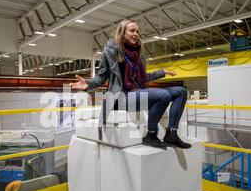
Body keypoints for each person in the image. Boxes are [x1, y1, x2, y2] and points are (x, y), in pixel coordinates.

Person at [70, 19, 191, 149]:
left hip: (139, 93)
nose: (136, 34)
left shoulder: (138, 54)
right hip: (123, 98)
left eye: (137, 31)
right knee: (163, 95)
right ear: (122, 33)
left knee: (181, 92)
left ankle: (171, 134)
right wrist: (88, 84)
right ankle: (151, 135)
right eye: (132, 30)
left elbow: (144, 78)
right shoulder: (111, 52)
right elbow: (101, 76)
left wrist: (162, 72)